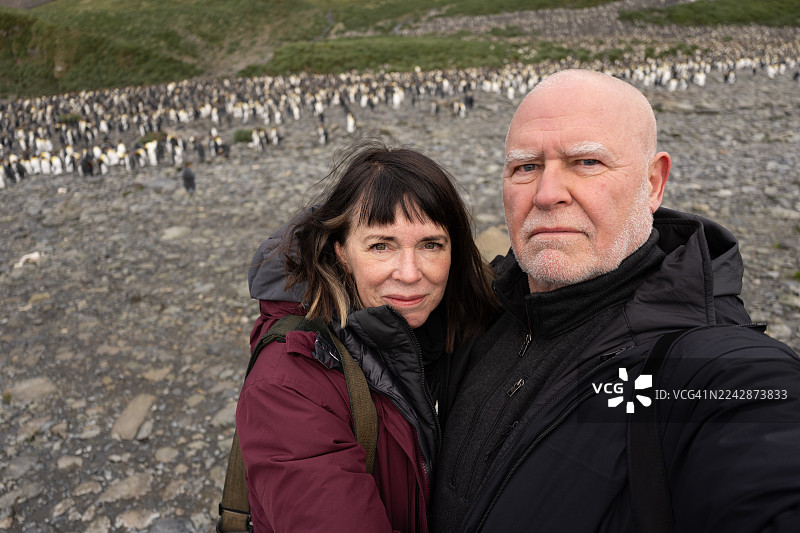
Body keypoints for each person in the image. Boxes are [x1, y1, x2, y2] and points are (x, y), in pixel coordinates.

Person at [431, 69, 800, 532]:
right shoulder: (478, 313)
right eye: (525, 167)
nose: (546, 194)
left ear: (652, 184)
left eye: (586, 162)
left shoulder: (698, 369)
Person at [236, 140, 498, 532]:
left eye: (431, 244)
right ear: (341, 252)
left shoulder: (459, 329)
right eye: (380, 245)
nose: (409, 273)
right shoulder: (288, 385)